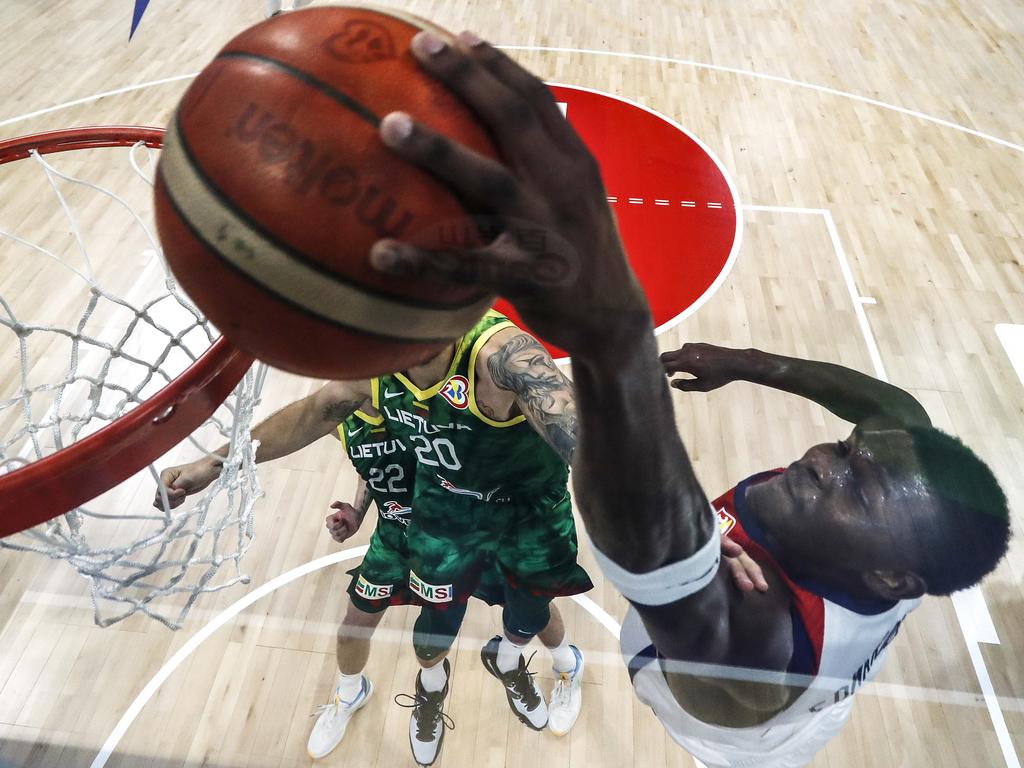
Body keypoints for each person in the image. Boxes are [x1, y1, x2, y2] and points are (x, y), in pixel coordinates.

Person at [360, 28, 1011, 767]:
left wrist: (615, 333)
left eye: (855, 487)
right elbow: (894, 411)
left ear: (893, 578)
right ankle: (517, 657)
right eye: (846, 451)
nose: (822, 459)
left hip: (743, 741)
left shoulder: (760, 653)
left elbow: (649, 549)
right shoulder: (890, 506)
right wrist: (750, 361)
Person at [156, 309, 595, 767]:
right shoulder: (374, 367)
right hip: (446, 512)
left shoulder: (503, 355)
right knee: (430, 639)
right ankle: (430, 688)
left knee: (528, 620)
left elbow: (576, 431)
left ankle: (546, 663)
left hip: (526, 518)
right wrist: (214, 464)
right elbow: (318, 410)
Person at [308, 403, 581, 761]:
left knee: (534, 609)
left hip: (460, 537)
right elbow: (369, 467)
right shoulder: (343, 415)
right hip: (396, 538)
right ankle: (352, 694)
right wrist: (358, 510)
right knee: (354, 630)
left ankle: (567, 666)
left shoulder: (427, 402)